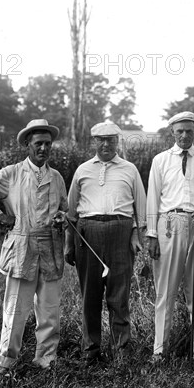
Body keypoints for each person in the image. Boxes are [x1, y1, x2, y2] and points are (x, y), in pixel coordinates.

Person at [0, 119, 68, 373]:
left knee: (49, 312)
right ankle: (6, 364)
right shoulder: (12, 174)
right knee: (15, 311)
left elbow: (64, 210)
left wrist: (62, 218)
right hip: (21, 249)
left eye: (47, 144)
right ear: (27, 144)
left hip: (51, 250)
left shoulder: (56, 178)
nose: (43, 148)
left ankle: (46, 362)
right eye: (38, 143)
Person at [65, 121, 146, 364]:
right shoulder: (83, 170)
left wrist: (135, 235)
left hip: (120, 232)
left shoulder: (130, 169)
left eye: (111, 139)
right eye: (101, 139)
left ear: (118, 141)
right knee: (90, 295)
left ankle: (121, 352)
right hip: (87, 233)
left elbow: (140, 210)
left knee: (118, 296)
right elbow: (71, 212)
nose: (106, 144)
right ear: (94, 142)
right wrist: (70, 244)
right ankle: (90, 352)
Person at [146, 111, 194, 361]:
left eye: (189, 131)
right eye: (179, 131)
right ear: (172, 132)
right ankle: (160, 351)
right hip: (169, 225)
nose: (184, 135)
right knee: (164, 292)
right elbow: (152, 199)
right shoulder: (160, 160)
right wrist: (151, 234)